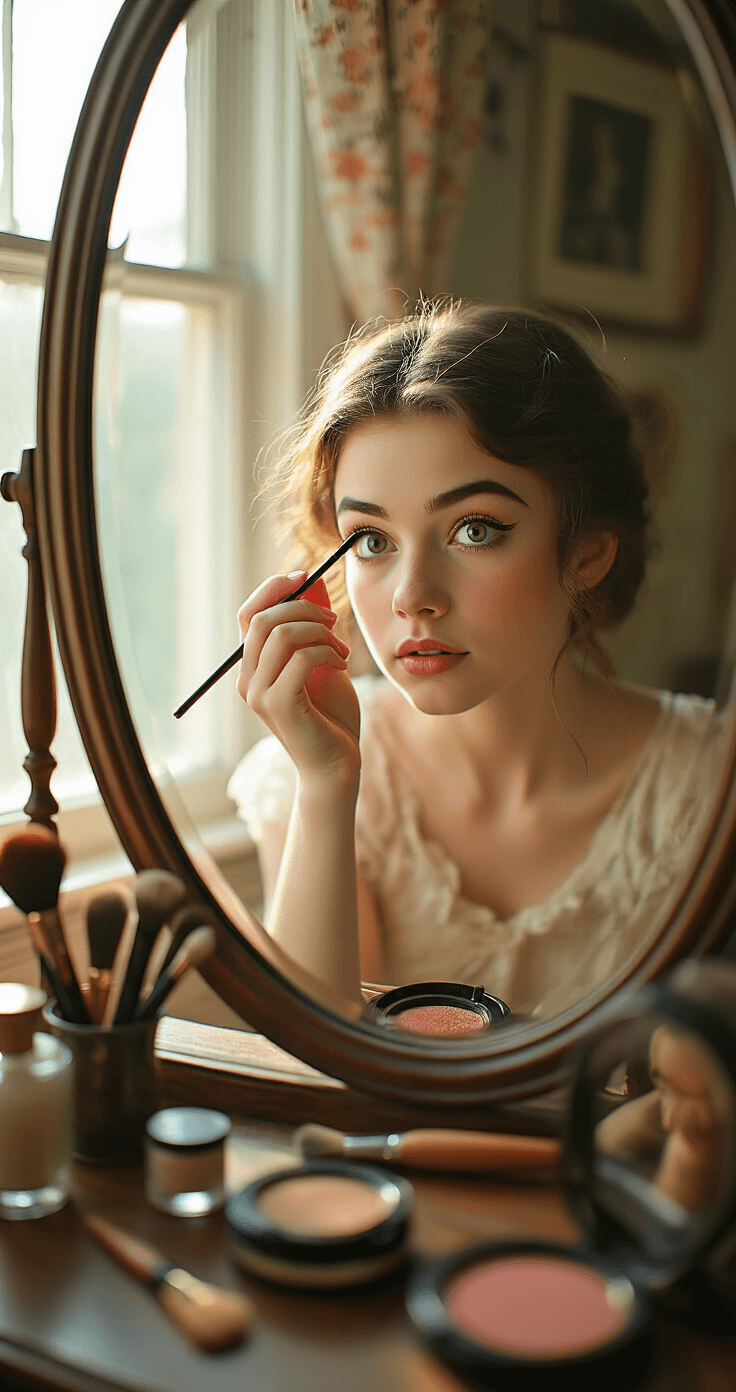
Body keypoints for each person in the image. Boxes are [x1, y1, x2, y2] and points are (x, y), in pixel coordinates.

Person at [227, 301, 728, 1013]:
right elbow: (314, 1069)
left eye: (475, 529)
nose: (412, 596)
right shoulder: (313, 771)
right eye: (371, 539)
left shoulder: (709, 784)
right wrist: (327, 785)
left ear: (586, 551)